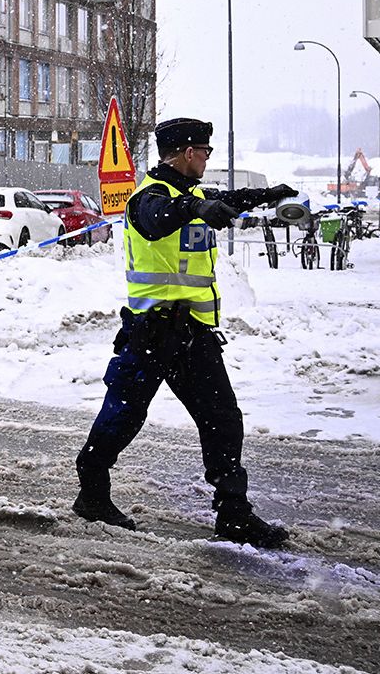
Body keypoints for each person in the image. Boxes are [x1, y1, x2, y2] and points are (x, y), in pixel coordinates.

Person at [72, 117, 298, 547]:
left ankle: (233, 514)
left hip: (193, 336)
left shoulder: (190, 193)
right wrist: (197, 208)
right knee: (123, 416)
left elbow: (223, 198)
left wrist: (267, 196)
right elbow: (157, 219)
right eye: (206, 152)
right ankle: (92, 491)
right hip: (149, 333)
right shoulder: (147, 198)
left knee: (223, 420)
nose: (208, 159)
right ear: (189, 152)